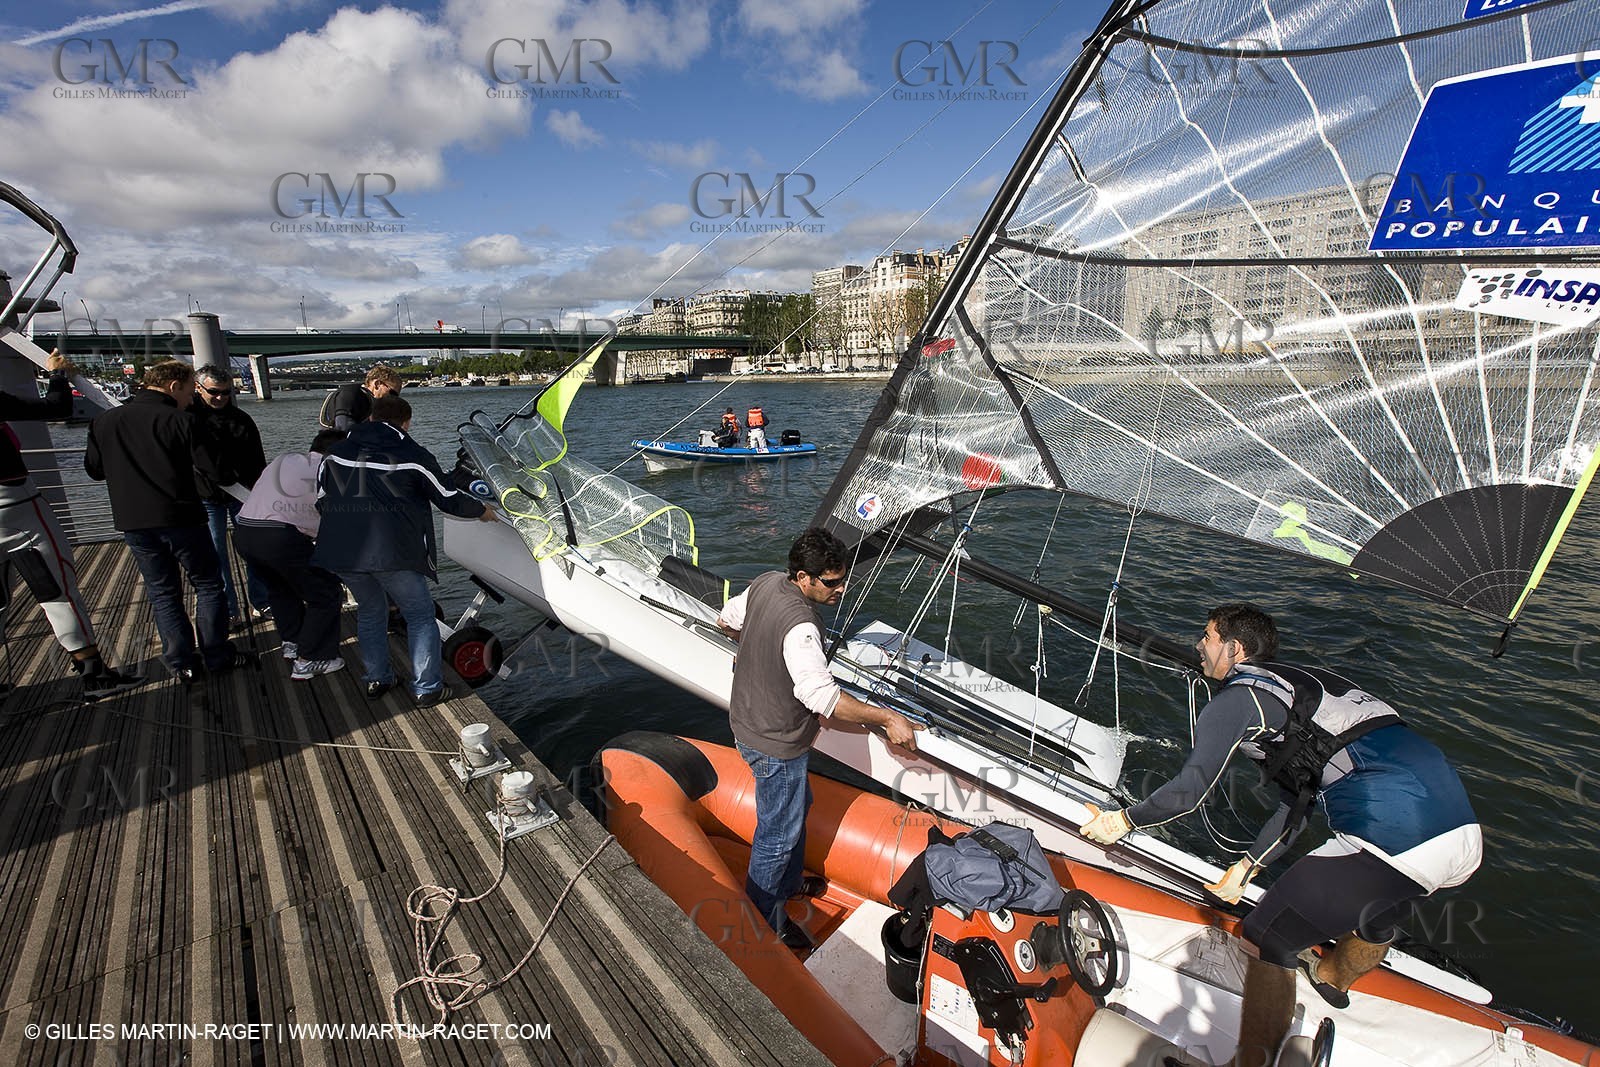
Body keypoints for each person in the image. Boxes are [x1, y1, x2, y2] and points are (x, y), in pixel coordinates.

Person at [1079, 603, 1481, 1067]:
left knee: (1268, 938)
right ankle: (1331, 978)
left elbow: (1188, 792)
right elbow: (1300, 801)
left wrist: (1121, 821)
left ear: (1235, 649)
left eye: (1207, 637)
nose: (1198, 646)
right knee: (1377, 921)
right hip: (1460, 833)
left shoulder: (1235, 701)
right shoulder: (1303, 687)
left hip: (1394, 831)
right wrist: (1249, 864)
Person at [715, 527, 923, 949]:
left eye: (844, 578)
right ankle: (763, 915)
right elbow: (822, 697)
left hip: (747, 723)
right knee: (777, 834)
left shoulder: (765, 583)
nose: (841, 589)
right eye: (831, 582)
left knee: (797, 807)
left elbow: (727, 621)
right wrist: (887, 718)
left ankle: (789, 885)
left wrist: (759, 652)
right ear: (803, 577)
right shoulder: (802, 627)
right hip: (777, 742)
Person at [312, 394, 495, 705]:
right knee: (420, 616)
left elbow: (320, 500)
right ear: (406, 423)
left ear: (370, 418)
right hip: (391, 553)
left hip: (343, 553)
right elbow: (447, 497)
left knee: (370, 612)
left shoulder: (335, 453)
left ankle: (377, 679)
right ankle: (427, 688)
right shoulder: (412, 454)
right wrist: (482, 511)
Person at [85, 359, 246, 684]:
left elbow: (95, 470)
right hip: (182, 517)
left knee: (163, 593)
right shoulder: (182, 421)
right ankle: (216, 654)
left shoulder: (104, 421)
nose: (191, 398)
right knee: (208, 585)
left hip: (134, 523)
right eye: (189, 391)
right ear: (174, 386)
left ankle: (182, 662)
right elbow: (215, 471)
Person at [0, 351, 143, 700]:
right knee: (58, 590)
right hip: (15, 505)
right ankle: (95, 675)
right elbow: (55, 407)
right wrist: (57, 374)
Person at [234, 430, 347, 681]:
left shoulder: (284, 459)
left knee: (281, 588)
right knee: (326, 593)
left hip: (244, 532)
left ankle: (292, 642)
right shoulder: (330, 471)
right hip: (278, 538)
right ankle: (311, 659)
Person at [190, 364, 269, 628]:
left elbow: (258, 460)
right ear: (199, 389)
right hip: (206, 495)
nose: (221, 397)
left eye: (226, 392)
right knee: (216, 554)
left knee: (255, 549)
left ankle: (261, 601)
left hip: (242, 494)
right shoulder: (188, 419)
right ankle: (229, 608)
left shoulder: (241, 419)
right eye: (214, 392)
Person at [322, 364, 402, 431]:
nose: (393, 399)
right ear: (377, 384)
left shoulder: (370, 403)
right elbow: (344, 430)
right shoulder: (350, 395)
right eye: (392, 393)